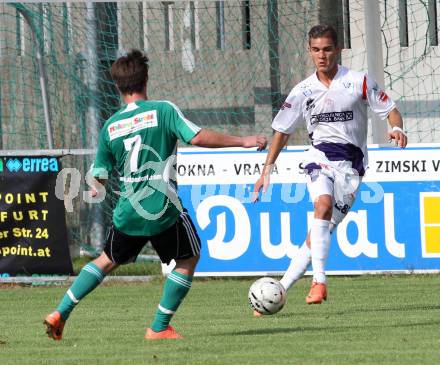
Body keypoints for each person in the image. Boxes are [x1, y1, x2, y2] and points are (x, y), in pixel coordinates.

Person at [44, 49, 267, 340]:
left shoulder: (110, 126)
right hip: (162, 208)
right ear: (145, 79)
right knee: (190, 256)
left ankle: (60, 312)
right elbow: (197, 137)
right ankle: (159, 327)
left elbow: (98, 176)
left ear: (118, 86)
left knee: (105, 260)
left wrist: (94, 188)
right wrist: (244, 141)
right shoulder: (163, 110)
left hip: (129, 210)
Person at [252, 24, 407, 313]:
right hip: (318, 157)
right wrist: (266, 170)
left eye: (326, 49)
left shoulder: (359, 81)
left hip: (351, 169)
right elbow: (282, 132)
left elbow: (390, 110)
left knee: (318, 235)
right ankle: (319, 281)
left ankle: (279, 291)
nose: (321, 55)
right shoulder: (302, 90)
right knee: (321, 206)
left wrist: (396, 127)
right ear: (309, 51)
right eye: (315, 50)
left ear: (337, 49)